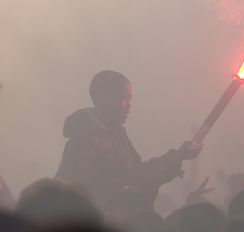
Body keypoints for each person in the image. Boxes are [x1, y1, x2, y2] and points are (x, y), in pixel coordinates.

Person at [55, 70, 201, 213]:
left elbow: (138, 172)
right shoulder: (83, 142)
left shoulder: (117, 133)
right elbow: (92, 194)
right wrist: (142, 183)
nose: (129, 105)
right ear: (102, 98)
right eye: (123, 98)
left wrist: (177, 156)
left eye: (130, 98)